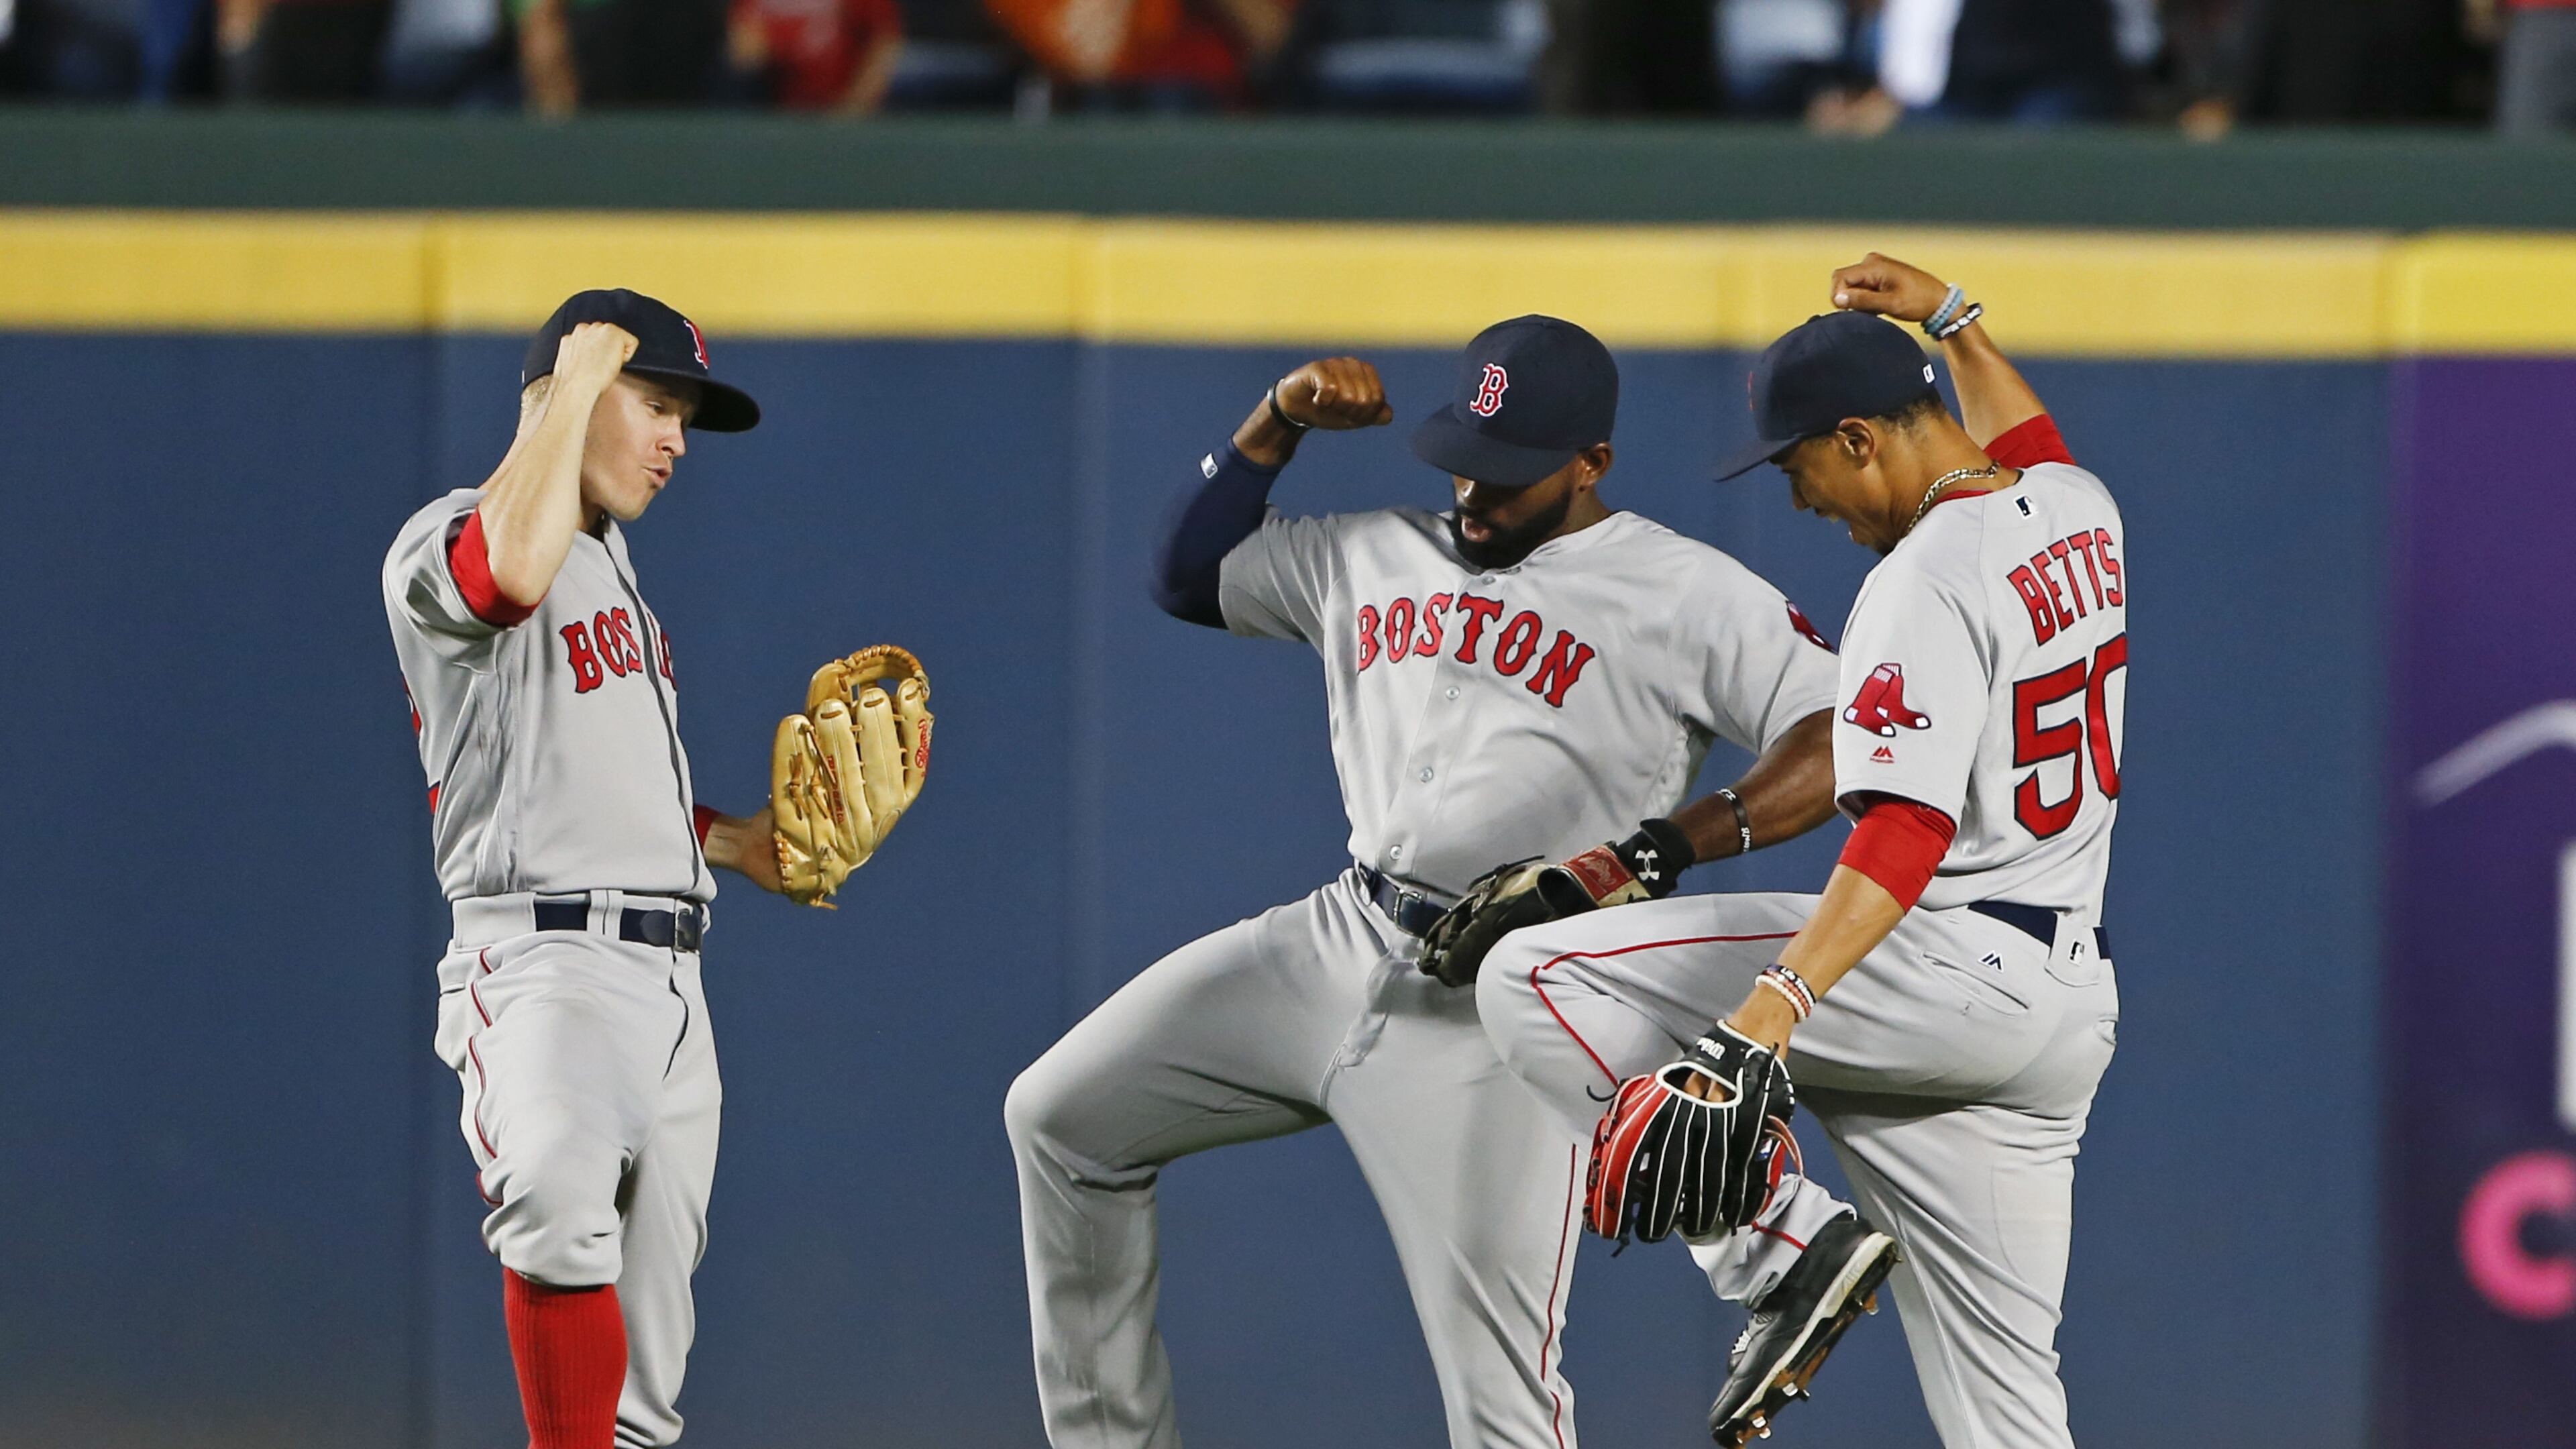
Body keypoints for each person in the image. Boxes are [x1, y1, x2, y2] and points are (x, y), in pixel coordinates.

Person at [1004, 315, 1846, 1449]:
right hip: (1337, 938)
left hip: (1498, 1009)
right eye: (1466, 457)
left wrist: (1664, 847)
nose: (1474, 492)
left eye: (1509, 473)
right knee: (1061, 1121)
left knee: (1503, 1404)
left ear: (1590, 464)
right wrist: (1273, 425)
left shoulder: (1684, 591)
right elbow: (1184, 575)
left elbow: (1843, 738)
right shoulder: (1371, 550)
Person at [1475, 256, 2126, 1449]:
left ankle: (1786, 1250)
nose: (1799, 498)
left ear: (1862, 438)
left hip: (1946, 967)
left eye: (1800, 464)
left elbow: (1904, 829)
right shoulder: (2078, 504)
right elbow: (2026, 433)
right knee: (2010, 1416)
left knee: (1535, 978)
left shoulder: (1920, 579)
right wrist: (1952, 319)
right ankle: (1790, 1240)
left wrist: (1774, 1008)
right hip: (2064, 1011)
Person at [382, 289, 790, 1449]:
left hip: (672, 985)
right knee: (558, 1203)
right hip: (544, 960)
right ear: (566, 390)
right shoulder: (446, 534)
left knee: (642, 1398)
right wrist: (572, 381)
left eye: (681, 418)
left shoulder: (616, 575)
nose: (674, 440)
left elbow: (592, 780)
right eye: (655, 402)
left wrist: (734, 841)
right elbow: (501, 575)